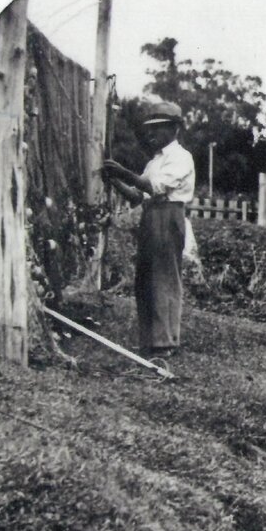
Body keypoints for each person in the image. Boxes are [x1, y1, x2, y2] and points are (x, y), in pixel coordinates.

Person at [102, 101, 195, 357]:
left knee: (164, 277)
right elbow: (137, 195)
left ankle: (165, 342)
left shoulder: (180, 157)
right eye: (150, 130)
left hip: (168, 215)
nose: (153, 135)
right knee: (146, 278)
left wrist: (125, 172)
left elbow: (155, 187)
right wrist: (115, 180)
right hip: (151, 215)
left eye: (160, 129)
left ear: (175, 129)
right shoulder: (155, 160)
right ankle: (150, 340)